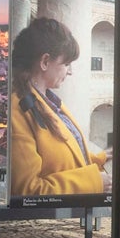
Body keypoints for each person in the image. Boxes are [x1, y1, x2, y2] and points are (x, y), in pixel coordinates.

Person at [9, 17, 110, 197]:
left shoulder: (47, 102)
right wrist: (93, 181)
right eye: (66, 64)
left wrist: (100, 158)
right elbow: (27, 189)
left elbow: (57, 159)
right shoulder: (17, 111)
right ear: (45, 62)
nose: (70, 71)